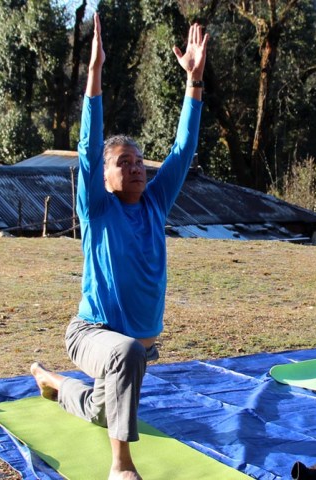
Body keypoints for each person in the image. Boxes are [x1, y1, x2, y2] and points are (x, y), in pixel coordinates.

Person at [30, 13, 208, 480]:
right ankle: (121, 466)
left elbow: (184, 147)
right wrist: (94, 75)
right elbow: (88, 148)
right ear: (105, 178)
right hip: (91, 334)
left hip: (137, 348)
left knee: (97, 410)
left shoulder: (155, 203)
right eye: (123, 163)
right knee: (124, 355)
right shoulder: (98, 208)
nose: (135, 169)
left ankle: (49, 380)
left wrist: (194, 82)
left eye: (139, 162)